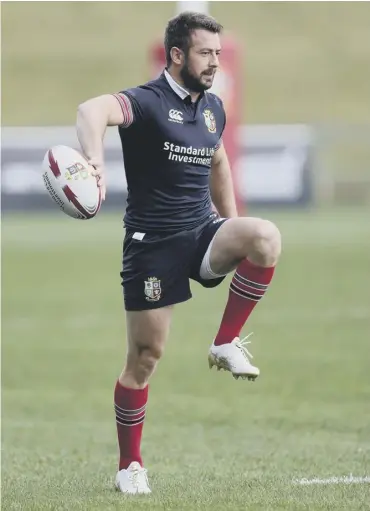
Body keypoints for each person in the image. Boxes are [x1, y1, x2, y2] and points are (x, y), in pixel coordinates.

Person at [76, 11, 281, 495]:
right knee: (145, 357)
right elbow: (90, 110)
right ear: (176, 55)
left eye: (217, 52)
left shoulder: (213, 107)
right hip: (152, 247)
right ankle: (130, 465)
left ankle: (225, 341)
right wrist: (93, 162)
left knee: (265, 237)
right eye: (205, 53)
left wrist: (230, 221)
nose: (214, 62)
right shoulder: (146, 102)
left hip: (203, 232)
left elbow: (219, 162)